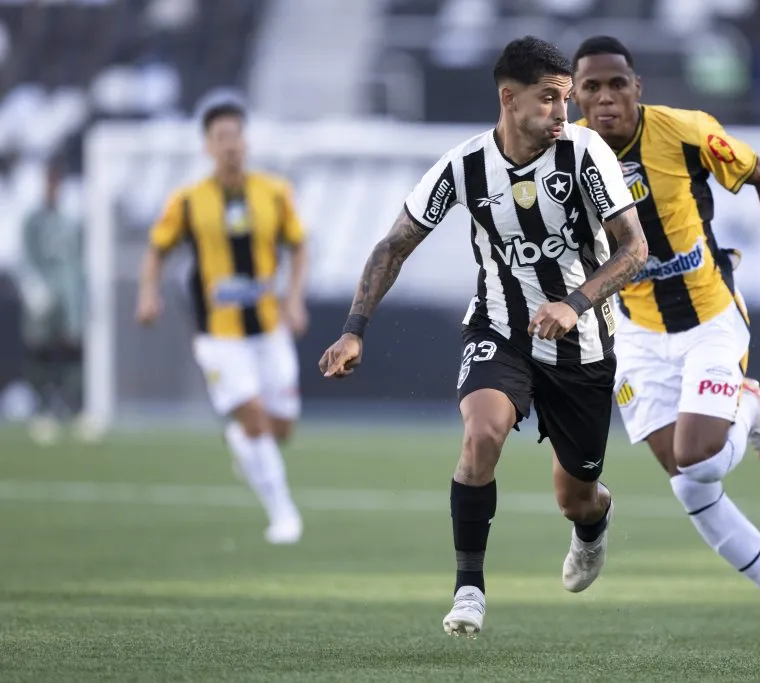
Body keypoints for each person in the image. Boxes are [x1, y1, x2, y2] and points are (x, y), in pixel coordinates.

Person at [320, 36, 647, 638]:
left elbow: (635, 248)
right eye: (549, 99)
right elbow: (394, 245)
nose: (562, 112)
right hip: (500, 328)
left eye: (566, 99)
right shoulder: (463, 167)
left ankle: (592, 525)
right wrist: (353, 331)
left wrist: (575, 304)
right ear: (508, 98)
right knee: (483, 433)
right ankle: (468, 588)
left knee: (575, 496)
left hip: (584, 347)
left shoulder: (584, 154)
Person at [572, 36, 760, 647]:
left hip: (710, 317)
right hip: (636, 333)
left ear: (638, 88)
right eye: (592, 87)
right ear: (576, 96)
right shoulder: (567, 156)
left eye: (617, 84)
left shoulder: (686, 132)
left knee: (698, 454)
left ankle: (747, 404)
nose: (606, 98)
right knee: (690, 481)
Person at [136, 90, 309, 545]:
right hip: (218, 335)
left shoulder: (274, 192)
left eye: (236, 134)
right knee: (255, 422)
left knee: (281, 426)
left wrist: (294, 299)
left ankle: (245, 445)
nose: (230, 143)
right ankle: (283, 513)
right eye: (221, 136)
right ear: (207, 146)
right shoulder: (189, 201)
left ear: (246, 141)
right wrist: (147, 293)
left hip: (269, 330)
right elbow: (157, 250)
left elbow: (299, 244)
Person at [16, 161, 90, 445]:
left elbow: (75, 260)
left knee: (72, 349)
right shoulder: (32, 220)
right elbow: (26, 256)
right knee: (40, 350)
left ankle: (72, 407)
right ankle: (42, 408)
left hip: (67, 297)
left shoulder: (68, 219)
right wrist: (33, 287)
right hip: (41, 297)